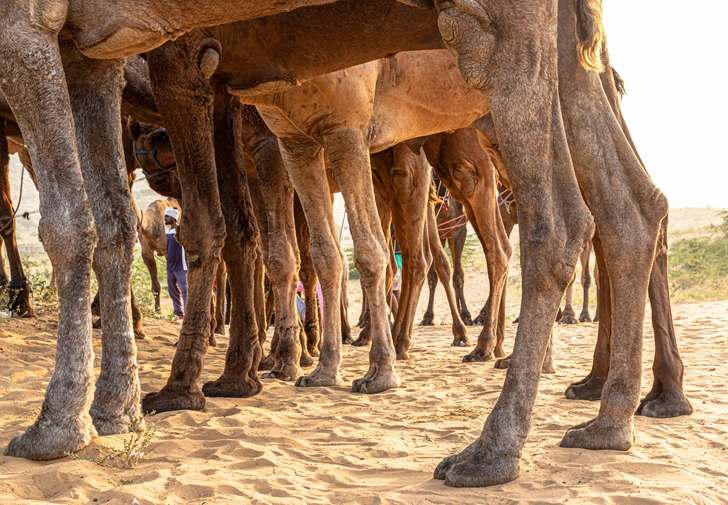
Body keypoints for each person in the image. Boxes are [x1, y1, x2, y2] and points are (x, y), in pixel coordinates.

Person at [164, 206, 187, 319]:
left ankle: (188, 313)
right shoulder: (168, 232)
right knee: (172, 291)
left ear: (173, 218)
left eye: (167, 216)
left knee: (185, 290)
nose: (165, 218)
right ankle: (178, 313)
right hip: (170, 267)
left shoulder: (180, 231)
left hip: (181, 266)